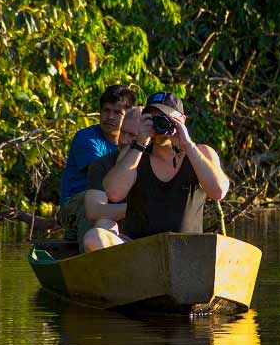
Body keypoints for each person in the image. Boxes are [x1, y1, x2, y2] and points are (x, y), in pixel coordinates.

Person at [87, 92, 229, 250]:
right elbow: (114, 193)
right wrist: (140, 142)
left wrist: (188, 146)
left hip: (186, 251)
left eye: (166, 118)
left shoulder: (201, 153)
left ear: (182, 120)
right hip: (139, 251)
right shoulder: (133, 153)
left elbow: (218, 192)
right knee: (94, 237)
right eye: (153, 118)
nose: (160, 124)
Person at [57, 85, 137, 242]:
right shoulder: (87, 138)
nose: (110, 117)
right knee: (96, 199)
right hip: (76, 204)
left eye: (117, 113)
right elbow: (105, 182)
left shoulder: (134, 142)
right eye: (106, 110)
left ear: (128, 117)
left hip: (112, 203)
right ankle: (90, 248)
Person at [79, 105, 143, 251]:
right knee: (104, 223)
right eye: (122, 132)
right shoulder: (101, 164)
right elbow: (94, 211)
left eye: (132, 135)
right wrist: (139, 209)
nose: (124, 140)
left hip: (151, 237)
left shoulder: (158, 163)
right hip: (117, 238)